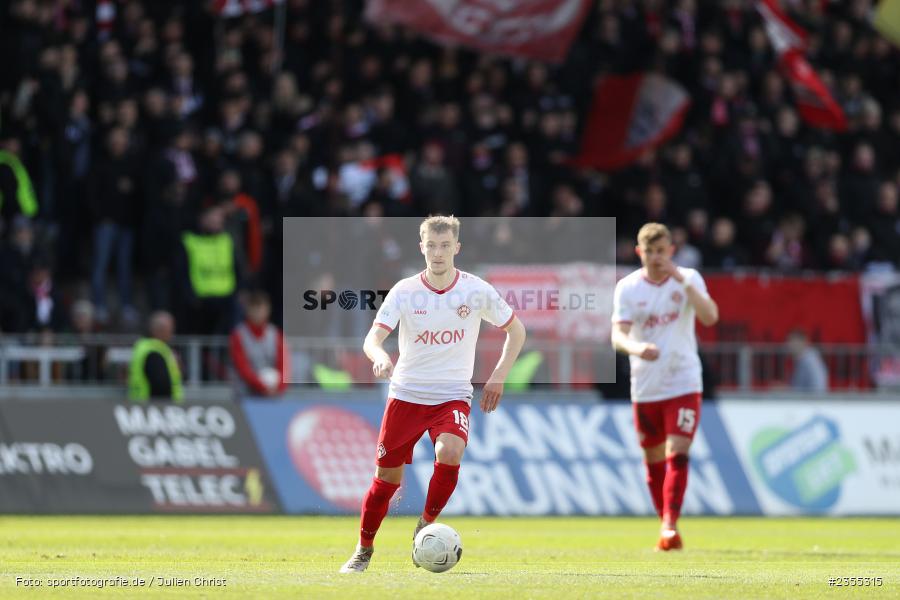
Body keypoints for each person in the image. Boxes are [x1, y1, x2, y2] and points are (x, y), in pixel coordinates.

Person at [340, 215, 526, 573]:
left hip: (453, 394)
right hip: (407, 394)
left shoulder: (476, 291)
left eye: (445, 246)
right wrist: (379, 356)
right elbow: (372, 339)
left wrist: (498, 376)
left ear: (456, 248)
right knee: (386, 481)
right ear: (421, 246)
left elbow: (516, 331)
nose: (438, 253)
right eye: (431, 245)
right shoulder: (405, 291)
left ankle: (425, 526)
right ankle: (364, 549)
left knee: (450, 449)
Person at [610, 222, 719, 551]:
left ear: (671, 251)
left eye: (662, 251)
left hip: (683, 380)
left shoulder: (688, 279)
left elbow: (711, 316)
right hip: (645, 385)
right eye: (650, 252)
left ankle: (670, 524)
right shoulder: (628, 288)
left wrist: (683, 281)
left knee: (679, 452)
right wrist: (637, 348)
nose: (656, 258)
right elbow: (617, 336)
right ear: (639, 253)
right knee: (653, 458)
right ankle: (666, 525)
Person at [229, 290, 289, 397]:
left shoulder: (276, 335)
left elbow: (284, 365)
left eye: (261, 308)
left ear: (268, 310)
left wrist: (279, 386)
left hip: (272, 395)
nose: (258, 313)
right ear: (248, 310)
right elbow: (242, 367)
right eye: (254, 308)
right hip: (245, 396)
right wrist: (261, 386)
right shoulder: (239, 335)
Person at [128, 311, 183, 402]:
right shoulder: (155, 351)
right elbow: (161, 384)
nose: (172, 333)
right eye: (170, 329)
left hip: (140, 406)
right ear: (160, 330)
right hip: (154, 409)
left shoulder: (142, 347)